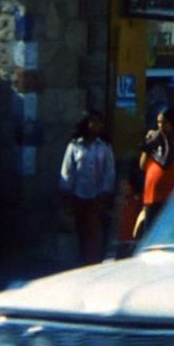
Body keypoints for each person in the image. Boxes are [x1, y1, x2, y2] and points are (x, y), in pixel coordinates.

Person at [60, 110, 115, 266]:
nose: (97, 125)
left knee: (95, 236)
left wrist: (105, 193)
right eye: (94, 121)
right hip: (79, 196)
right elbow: (68, 170)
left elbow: (109, 171)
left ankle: (93, 264)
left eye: (99, 122)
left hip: (97, 197)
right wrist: (66, 193)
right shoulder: (75, 146)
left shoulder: (104, 146)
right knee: (80, 233)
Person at [139, 107, 174, 234]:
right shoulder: (154, 139)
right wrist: (147, 146)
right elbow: (142, 165)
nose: (161, 126)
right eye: (159, 122)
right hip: (152, 196)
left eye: (165, 122)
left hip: (171, 196)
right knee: (150, 233)